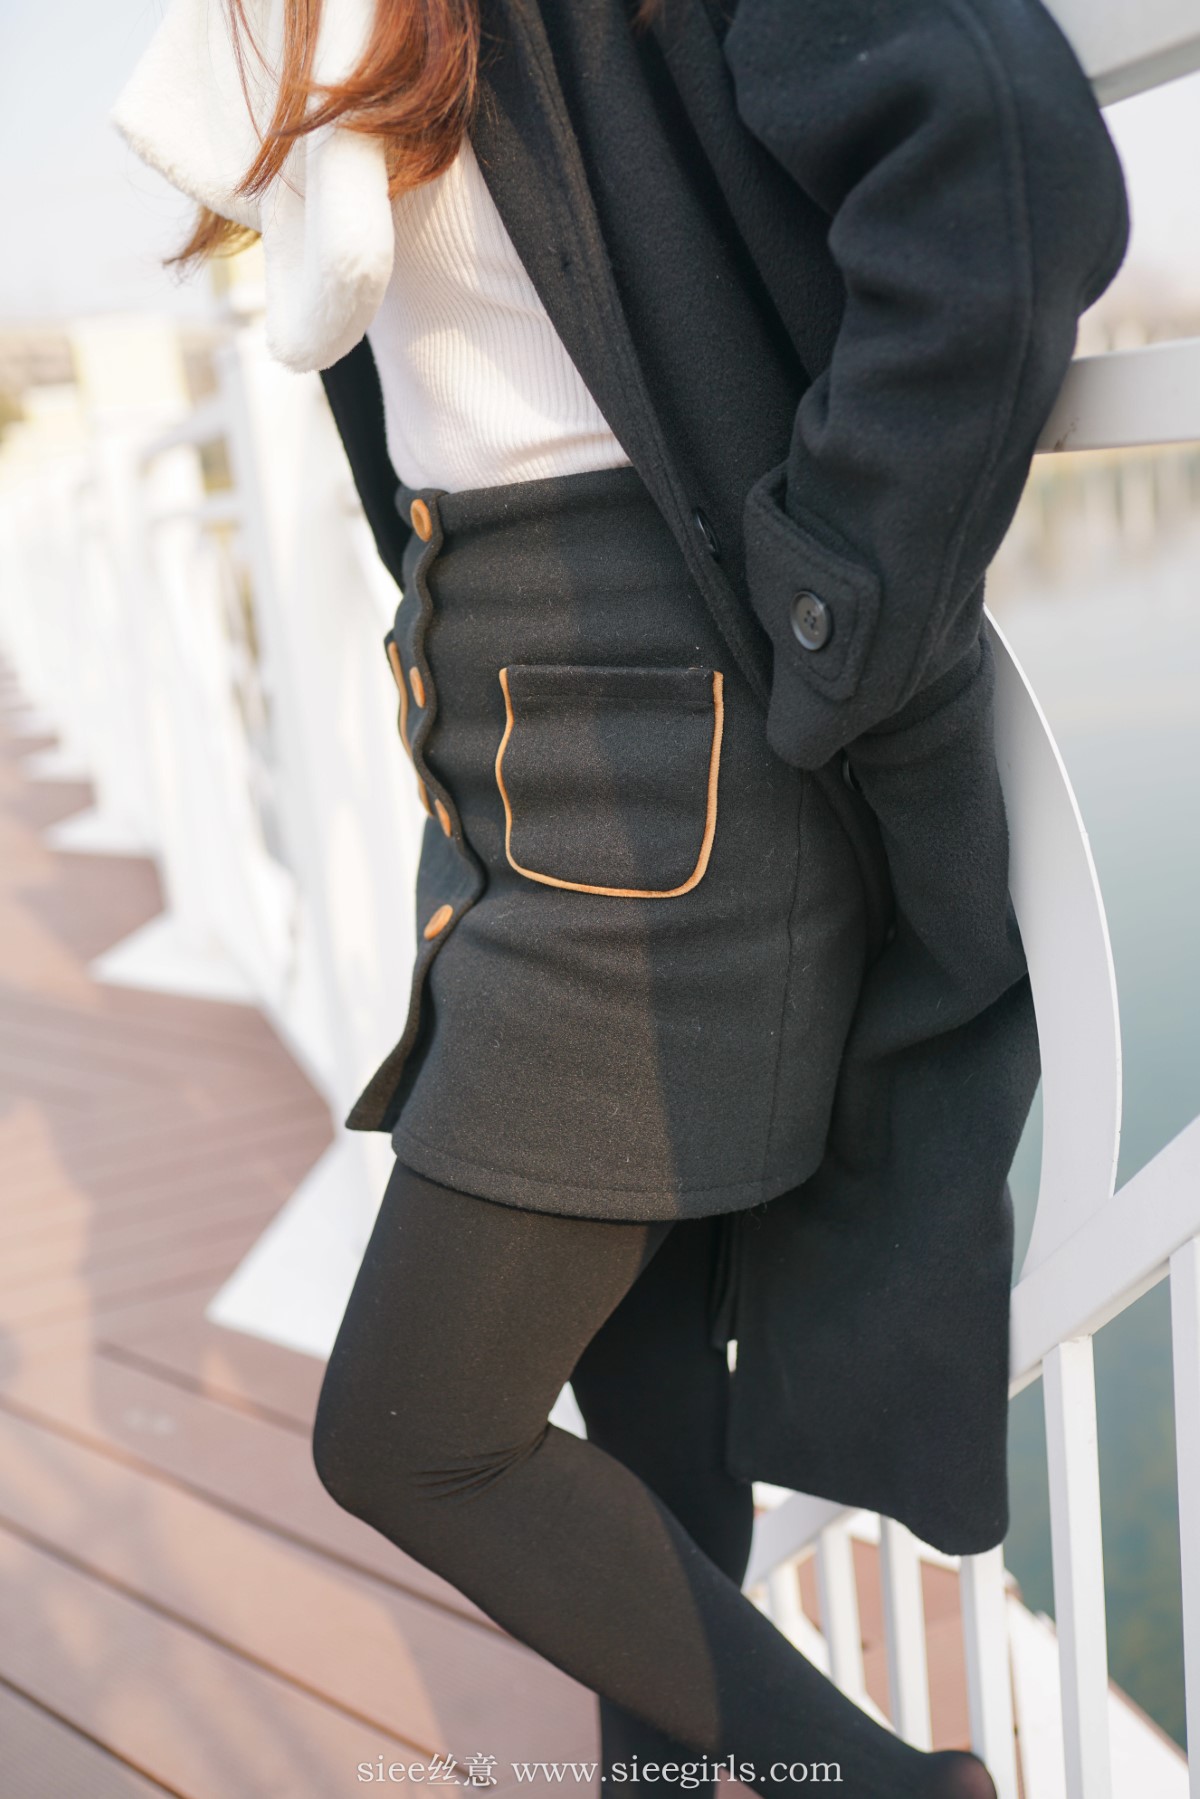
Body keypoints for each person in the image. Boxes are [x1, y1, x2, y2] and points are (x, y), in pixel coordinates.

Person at [113, 0, 1129, 1792]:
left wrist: (835, 599)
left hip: (669, 766)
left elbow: (1006, 160)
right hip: (498, 731)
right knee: (645, 1423)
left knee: (416, 1437)